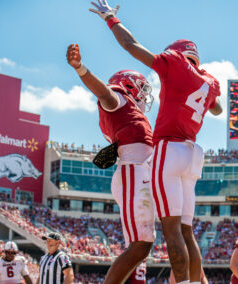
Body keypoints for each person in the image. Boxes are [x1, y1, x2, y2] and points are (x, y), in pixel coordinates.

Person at [90, 2, 223, 284]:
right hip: (193, 153)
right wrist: (202, 81)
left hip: (169, 150)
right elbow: (218, 109)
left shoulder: (173, 64)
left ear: (177, 54)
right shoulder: (208, 81)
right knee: (187, 231)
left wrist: (111, 18)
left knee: (172, 229)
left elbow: (131, 44)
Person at [67, 43, 155, 284]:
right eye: (141, 89)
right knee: (140, 245)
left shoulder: (132, 113)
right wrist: (81, 69)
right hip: (133, 172)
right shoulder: (118, 99)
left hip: (142, 173)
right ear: (128, 85)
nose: (145, 95)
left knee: (144, 245)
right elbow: (104, 94)